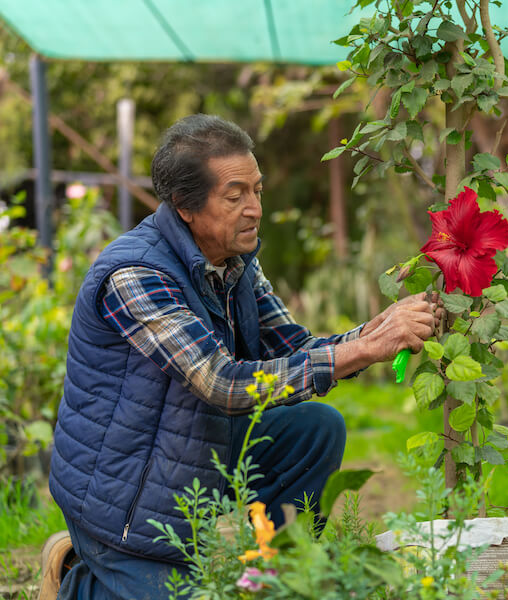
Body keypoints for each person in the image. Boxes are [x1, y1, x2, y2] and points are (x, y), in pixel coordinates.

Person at [40, 114, 439, 599]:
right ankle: (78, 572)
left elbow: (291, 349)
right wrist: (365, 348)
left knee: (316, 428)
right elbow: (222, 384)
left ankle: (280, 573)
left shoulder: (236, 262)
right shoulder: (135, 274)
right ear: (185, 206)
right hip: (123, 497)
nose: (254, 209)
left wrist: (378, 332)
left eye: (257, 191)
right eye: (235, 196)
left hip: (190, 448)